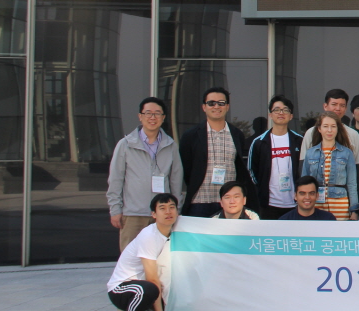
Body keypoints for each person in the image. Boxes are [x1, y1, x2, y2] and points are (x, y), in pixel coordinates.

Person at [107, 97, 184, 251]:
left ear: (163, 117)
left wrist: (176, 210)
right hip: (133, 214)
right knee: (131, 258)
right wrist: (115, 210)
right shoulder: (125, 145)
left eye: (157, 113)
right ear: (140, 116)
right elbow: (116, 179)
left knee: (161, 258)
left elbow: (176, 181)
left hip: (162, 214)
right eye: (148, 113)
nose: (152, 117)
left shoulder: (171, 146)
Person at [106, 193, 177, 311]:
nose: (168, 212)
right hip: (121, 289)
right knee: (149, 289)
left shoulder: (175, 230)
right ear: (154, 214)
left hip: (145, 287)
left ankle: (144, 310)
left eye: (172, 207)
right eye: (162, 208)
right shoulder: (149, 236)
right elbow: (152, 279)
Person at [179, 87, 255, 218]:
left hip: (229, 204)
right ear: (204, 107)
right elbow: (186, 169)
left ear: (227, 107)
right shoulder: (191, 135)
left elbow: (240, 168)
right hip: (200, 202)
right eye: (211, 103)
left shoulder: (237, 134)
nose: (216, 106)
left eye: (221, 103)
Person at [247, 95, 303, 220]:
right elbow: (252, 171)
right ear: (270, 115)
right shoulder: (259, 142)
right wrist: (262, 189)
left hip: (295, 203)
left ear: (291, 116)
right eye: (277, 110)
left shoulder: (299, 141)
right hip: (269, 204)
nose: (281, 113)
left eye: (285, 110)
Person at [302, 113, 359, 220]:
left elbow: (352, 184)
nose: (329, 130)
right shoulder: (310, 153)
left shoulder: (347, 153)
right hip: (316, 204)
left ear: (338, 129)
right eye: (325, 126)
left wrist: (354, 210)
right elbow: (304, 183)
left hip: (340, 204)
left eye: (333, 126)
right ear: (319, 129)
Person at [299, 89, 359, 166]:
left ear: (345, 109)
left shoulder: (353, 134)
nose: (338, 108)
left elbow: (357, 165)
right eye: (334, 104)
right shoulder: (312, 132)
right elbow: (303, 164)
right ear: (325, 106)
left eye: (342, 105)